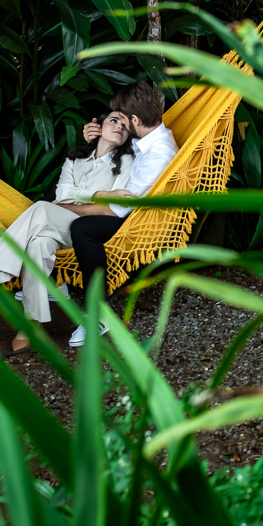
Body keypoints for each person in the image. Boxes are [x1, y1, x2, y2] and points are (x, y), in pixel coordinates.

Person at [0, 111, 136, 353]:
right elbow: (63, 192)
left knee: (42, 208)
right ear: (98, 127)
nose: (119, 127)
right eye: (114, 120)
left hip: (88, 230)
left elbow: (113, 206)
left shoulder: (126, 162)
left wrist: (76, 203)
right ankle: (31, 325)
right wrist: (101, 194)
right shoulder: (75, 159)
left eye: (125, 126)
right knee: (39, 244)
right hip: (55, 227)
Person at [66, 81, 179, 347]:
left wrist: (67, 207)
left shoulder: (158, 155)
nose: (118, 123)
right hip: (117, 198)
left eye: (121, 120)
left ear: (135, 119)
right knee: (51, 200)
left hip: (136, 222)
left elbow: (118, 209)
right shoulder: (147, 136)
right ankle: (46, 277)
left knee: (82, 228)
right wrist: (97, 139)